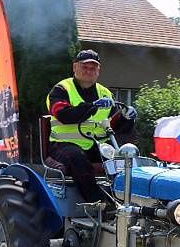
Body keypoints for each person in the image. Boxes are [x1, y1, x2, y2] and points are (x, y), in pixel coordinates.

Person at [46, 49, 137, 202]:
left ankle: (129, 201)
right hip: (62, 144)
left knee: (126, 159)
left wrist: (127, 117)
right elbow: (64, 115)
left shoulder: (106, 93)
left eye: (93, 68)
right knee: (78, 159)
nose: (89, 71)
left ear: (98, 70)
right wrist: (91, 106)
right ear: (75, 67)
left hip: (97, 146)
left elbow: (115, 127)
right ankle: (98, 203)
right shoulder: (61, 90)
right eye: (84, 67)